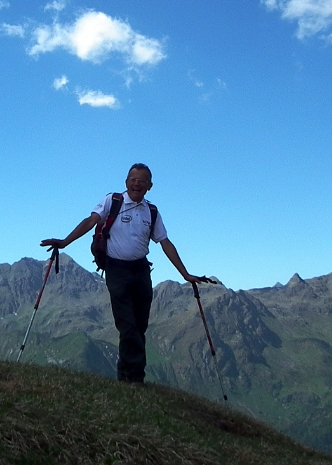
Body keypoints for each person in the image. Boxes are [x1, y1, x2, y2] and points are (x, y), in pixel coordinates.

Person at [41, 163, 214, 384]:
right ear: (126, 182)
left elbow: (165, 243)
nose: (137, 183)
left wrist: (185, 274)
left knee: (139, 325)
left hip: (141, 271)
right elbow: (90, 221)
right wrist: (65, 242)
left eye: (142, 180)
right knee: (128, 325)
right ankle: (135, 379)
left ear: (149, 186)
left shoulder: (151, 212)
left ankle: (125, 376)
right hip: (116, 271)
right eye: (133, 179)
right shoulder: (112, 202)